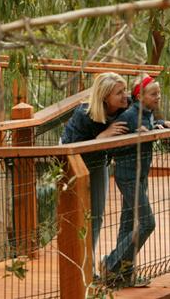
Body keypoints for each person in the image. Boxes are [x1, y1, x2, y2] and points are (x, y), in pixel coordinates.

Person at [101, 73, 170, 287]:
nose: (158, 97)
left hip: (141, 174)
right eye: (153, 93)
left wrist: (163, 124)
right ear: (139, 96)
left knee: (127, 225)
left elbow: (150, 123)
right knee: (148, 223)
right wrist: (134, 138)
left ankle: (122, 276)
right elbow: (113, 147)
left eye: (159, 93)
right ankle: (110, 263)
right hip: (127, 175)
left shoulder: (146, 113)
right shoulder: (129, 115)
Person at [60, 72, 130, 260]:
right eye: (119, 92)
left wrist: (163, 124)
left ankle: (88, 264)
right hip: (72, 163)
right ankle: (74, 262)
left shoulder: (126, 107)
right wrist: (101, 137)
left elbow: (144, 117)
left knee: (96, 215)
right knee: (76, 215)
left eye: (125, 90)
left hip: (99, 162)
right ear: (105, 98)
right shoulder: (85, 114)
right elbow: (73, 148)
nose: (125, 95)